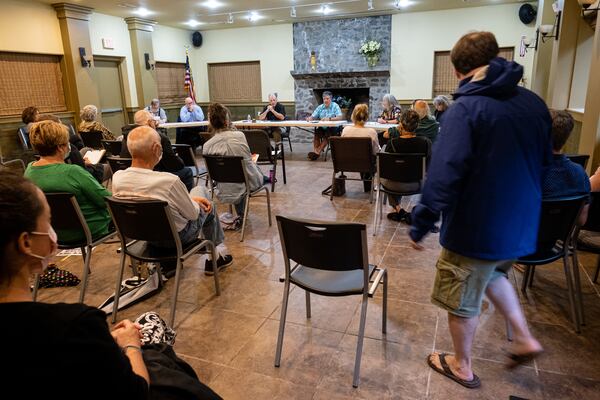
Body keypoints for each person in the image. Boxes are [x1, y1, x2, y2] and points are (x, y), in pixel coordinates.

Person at [0, 170, 222, 400]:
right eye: (48, 222)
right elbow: (136, 391)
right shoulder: (76, 325)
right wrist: (130, 345)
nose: (52, 232)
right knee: (151, 325)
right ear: (26, 242)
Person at [409, 31, 549, 389]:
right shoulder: (534, 104)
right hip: (521, 223)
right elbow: (545, 162)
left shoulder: (466, 110)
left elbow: (443, 172)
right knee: (494, 275)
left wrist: (421, 221)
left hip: (477, 226)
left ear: (457, 71)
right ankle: (523, 337)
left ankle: (462, 366)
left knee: (462, 299)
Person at [112, 126, 233, 276]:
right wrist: (193, 201)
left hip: (142, 236)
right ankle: (215, 258)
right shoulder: (169, 181)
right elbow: (194, 214)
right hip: (175, 239)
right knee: (207, 202)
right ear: (157, 148)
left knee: (195, 195)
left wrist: (190, 198)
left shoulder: (117, 178)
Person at [25, 120, 112, 243]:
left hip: (53, 232)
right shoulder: (73, 172)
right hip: (89, 230)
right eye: (67, 143)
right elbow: (106, 200)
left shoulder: (29, 171)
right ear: (60, 148)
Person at [203, 103, 270, 225]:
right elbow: (247, 160)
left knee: (235, 173)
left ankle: (240, 215)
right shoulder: (240, 136)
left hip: (221, 188)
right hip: (245, 185)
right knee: (249, 168)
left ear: (211, 123)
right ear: (227, 121)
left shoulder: (207, 146)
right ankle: (242, 215)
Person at [121, 109, 195, 192]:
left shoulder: (126, 136)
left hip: (130, 176)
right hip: (152, 177)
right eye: (153, 121)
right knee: (187, 172)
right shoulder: (158, 138)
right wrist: (180, 161)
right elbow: (173, 164)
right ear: (149, 122)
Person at [382, 110, 431, 224]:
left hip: (393, 186)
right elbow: (429, 167)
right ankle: (418, 212)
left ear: (401, 125)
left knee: (389, 175)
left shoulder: (392, 143)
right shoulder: (425, 142)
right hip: (417, 184)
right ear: (417, 125)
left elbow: (387, 168)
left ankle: (399, 210)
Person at [542, 109, 590, 224]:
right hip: (558, 239)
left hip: (524, 239)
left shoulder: (527, 173)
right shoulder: (580, 173)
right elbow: (581, 221)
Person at [36, 114, 110, 184]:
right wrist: (91, 165)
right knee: (110, 167)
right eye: (61, 125)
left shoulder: (32, 170)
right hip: (84, 177)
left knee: (86, 150)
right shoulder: (70, 150)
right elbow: (83, 173)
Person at [306, 91, 343, 160]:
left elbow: (340, 117)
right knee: (317, 133)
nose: (325, 100)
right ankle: (316, 152)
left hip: (333, 128)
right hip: (323, 127)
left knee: (328, 134)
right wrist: (310, 118)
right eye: (324, 99)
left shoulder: (335, 106)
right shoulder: (320, 107)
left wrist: (329, 119)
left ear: (331, 99)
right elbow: (313, 116)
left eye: (327, 99)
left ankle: (317, 152)